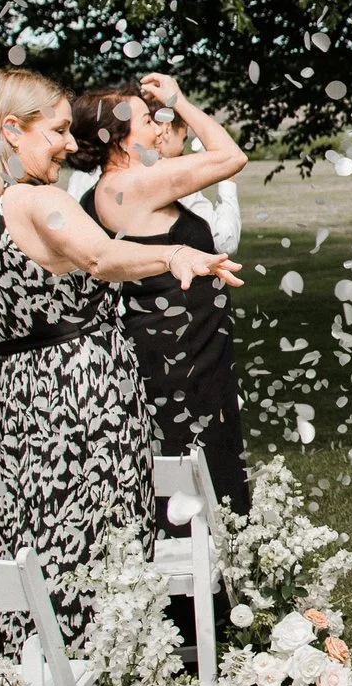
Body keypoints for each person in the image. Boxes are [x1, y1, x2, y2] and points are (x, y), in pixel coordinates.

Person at [0, 69, 238, 622]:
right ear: (11, 130)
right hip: (86, 385)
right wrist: (171, 256)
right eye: (56, 131)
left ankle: (45, 656)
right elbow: (103, 258)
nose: (71, 144)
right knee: (107, 527)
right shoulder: (35, 201)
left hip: (17, 394)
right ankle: (118, 657)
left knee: (38, 527)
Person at [73, 75, 253, 513]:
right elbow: (231, 156)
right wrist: (180, 100)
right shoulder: (127, 184)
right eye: (146, 120)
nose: (159, 126)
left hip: (194, 347)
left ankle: (215, 563)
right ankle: (198, 569)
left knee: (212, 450)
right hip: (179, 355)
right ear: (115, 139)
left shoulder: (134, 181)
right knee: (197, 458)